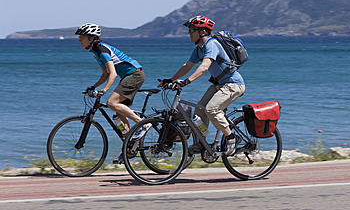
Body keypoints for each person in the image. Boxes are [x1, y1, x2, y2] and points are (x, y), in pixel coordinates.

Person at [159, 16, 245, 156]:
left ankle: (231, 138)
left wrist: (187, 81)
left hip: (233, 84)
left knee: (212, 109)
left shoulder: (211, 44)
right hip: (220, 85)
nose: (189, 33)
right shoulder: (199, 49)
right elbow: (187, 66)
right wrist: (171, 79)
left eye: (192, 30)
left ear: (203, 32)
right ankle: (202, 143)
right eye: (189, 30)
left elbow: (205, 67)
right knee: (199, 110)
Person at [75, 23, 145, 163]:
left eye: (82, 37)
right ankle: (129, 148)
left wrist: (103, 91)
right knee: (119, 115)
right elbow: (105, 74)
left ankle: (142, 123)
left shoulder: (101, 49)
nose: (79, 40)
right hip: (127, 77)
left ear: (92, 38)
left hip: (134, 75)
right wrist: (93, 87)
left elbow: (112, 74)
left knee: (111, 102)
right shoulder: (95, 51)